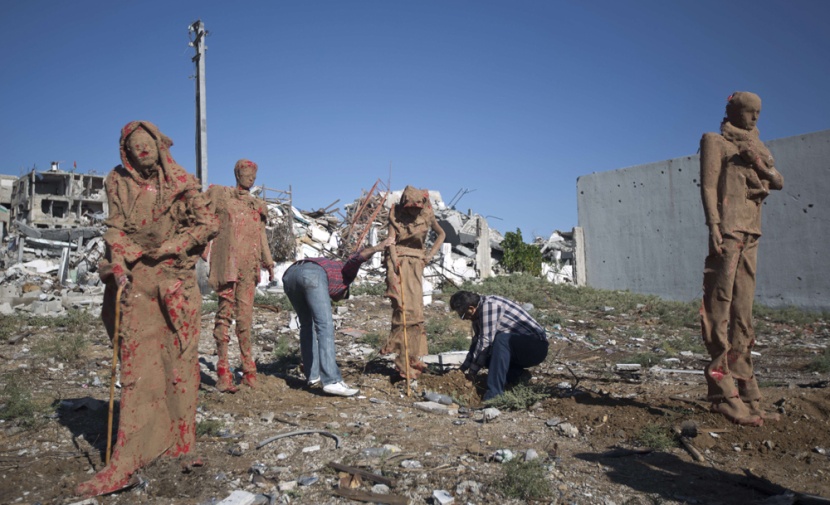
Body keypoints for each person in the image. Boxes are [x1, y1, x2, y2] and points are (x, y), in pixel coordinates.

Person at [76, 121, 218, 496]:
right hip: (137, 280)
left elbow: (208, 223)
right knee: (137, 364)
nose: (142, 152)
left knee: (181, 361)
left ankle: (182, 442)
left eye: (147, 145)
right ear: (126, 151)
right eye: (134, 146)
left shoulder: (182, 182)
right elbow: (114, 228)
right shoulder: (117, 181)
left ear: (159, 146)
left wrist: (173, 246)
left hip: (176, 280)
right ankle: (129, 455)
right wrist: (119, 260)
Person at [700, 91, 784, 426]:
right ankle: (722, 390)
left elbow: (777, 181)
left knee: (743, 312)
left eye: (758, 114)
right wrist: (714, 224)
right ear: (735, 112)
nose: (754, 120)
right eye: (749, 113)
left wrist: (756, 162)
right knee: (719, 304)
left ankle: (746, 383)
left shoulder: (757, 146)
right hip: (729, 230)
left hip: (752, 232)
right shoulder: (715, 141)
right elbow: (708, 186)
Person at [282, 238, 391, 396]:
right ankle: (331, 381)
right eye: (338, 297)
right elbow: (357, 258)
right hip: (312, 273)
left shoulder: (330, 274)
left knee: (307, 325)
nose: (335, 299)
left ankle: (313, 376)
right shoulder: (346, 274)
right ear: (345, 290)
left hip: (290, 275)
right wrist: (378, 247)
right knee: (325, 325)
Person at [205, 159, 275, 392]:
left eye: (254, 174)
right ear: (237, 174)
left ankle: (248, 369)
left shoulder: (257, 204)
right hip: (227, 264)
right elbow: (204, 222)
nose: (250, 178)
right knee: (224, 315)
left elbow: (261, 235)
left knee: (245, 319)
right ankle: (223, 371)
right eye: (246, 173)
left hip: (248, 266)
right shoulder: (222, 197)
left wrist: (268, 260)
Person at [382, 186, 446, 379]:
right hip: (398, 264)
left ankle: (413, 358)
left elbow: (441, 234)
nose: (412, 213)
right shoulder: (396, 214)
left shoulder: (427, 215)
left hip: (416, 264)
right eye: (409, 208)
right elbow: (391, 242)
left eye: (415, 209)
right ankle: (402, 363)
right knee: (401, 309)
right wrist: (394, 264)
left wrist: (429, 256)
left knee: (415, 311)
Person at [450, 290, 548, 401]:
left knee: (501, 340)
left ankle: (494, 394)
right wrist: (462, 370)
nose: (464, 319)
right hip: (518, 348)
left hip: (535, 347)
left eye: (463, 315)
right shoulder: (478, 314)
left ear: (472, 309)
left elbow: (485, 341)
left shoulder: (489, 307)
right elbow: (477, 344)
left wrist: (471, 374)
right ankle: (517, 375)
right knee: (486, 354)